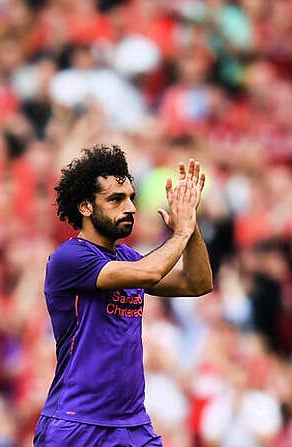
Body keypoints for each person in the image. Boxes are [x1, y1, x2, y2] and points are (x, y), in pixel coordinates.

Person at [33, 144, 213, 446]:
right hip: (76, 423)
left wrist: (191, 226)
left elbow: (197, 283)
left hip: (132, 424)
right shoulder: (70, 258)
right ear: (85, 207)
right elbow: (149, 274)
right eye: (115, 199)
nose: (130, 207)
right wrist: (180, 233)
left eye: (131, 197)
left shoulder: (129, 258)